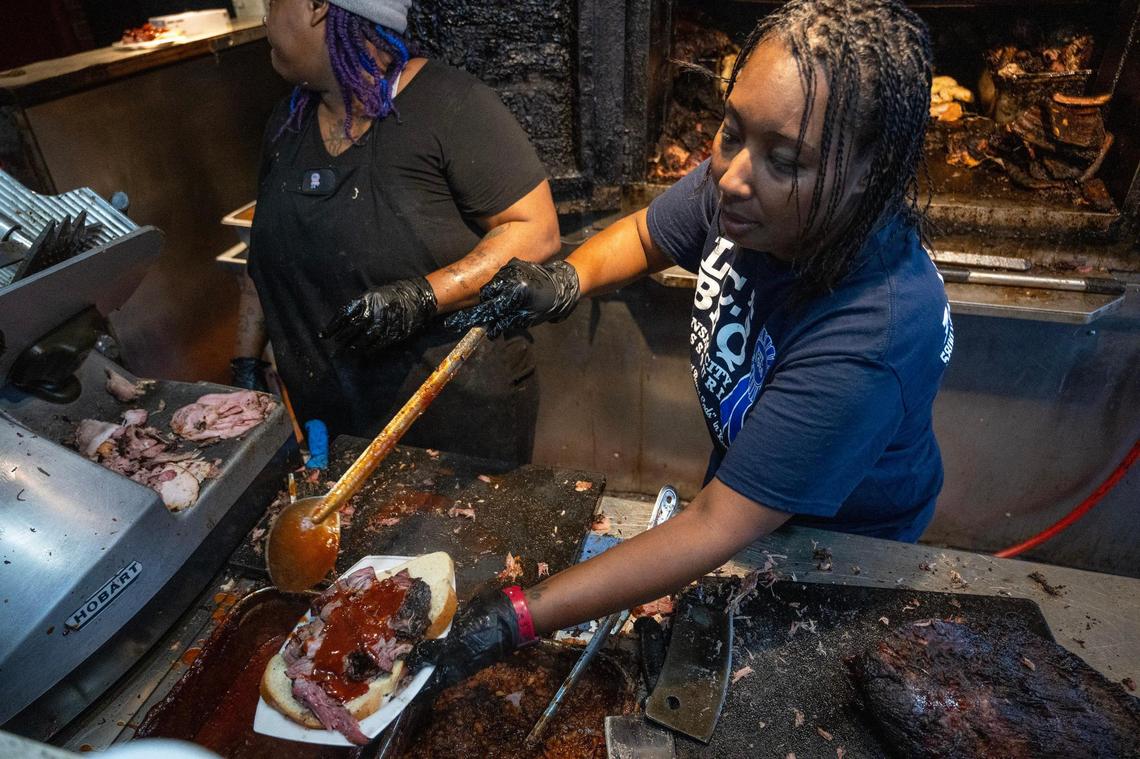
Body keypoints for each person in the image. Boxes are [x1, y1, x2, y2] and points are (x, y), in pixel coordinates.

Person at [419, 0, 954, 684]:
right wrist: (562, 281)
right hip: (743, 500)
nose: (730, 175)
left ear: (865, 177)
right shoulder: (744, 186)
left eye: (783, 160)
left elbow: (712, 526)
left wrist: (516, 616)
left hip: (835, 554)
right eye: (731, 131)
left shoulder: (871, 331)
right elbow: (649, 234)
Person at [233, 0, 560, 463]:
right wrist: (245, 362)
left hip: (451, 428)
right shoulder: (287, 123)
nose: (265, 18)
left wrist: (421, 296)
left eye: (272, 3)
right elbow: (263, 254)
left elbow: (537, 231)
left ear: (317, 7)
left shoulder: (450, 106)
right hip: (336, 423)